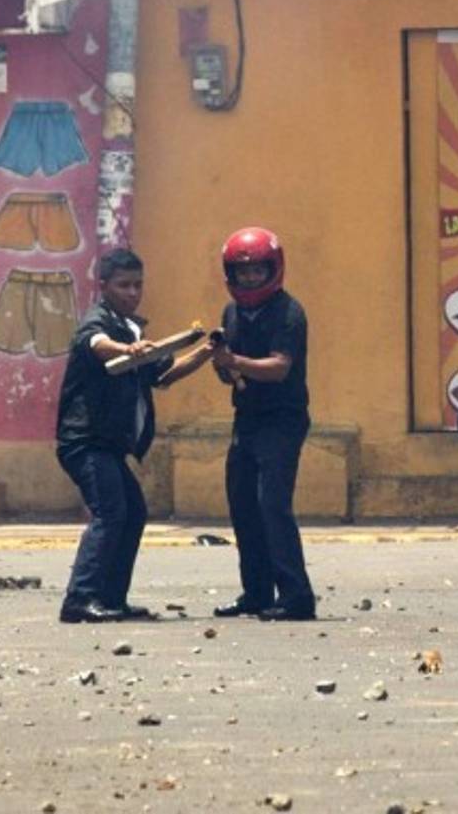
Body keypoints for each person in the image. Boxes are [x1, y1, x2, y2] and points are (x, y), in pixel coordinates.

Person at [57, 248, 215, 623]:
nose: (132, 292)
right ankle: (79, 599)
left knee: (133, 514)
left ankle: (111, 598)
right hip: (85, 440)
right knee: (111, 512)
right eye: (123, 285)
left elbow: (163, 374)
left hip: (109, 445)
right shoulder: (98, 322)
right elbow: (97, 345)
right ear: (104, 286)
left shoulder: (132, 330)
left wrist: (207, 351)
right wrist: (127, 349)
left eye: (137, 285)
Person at [210, 227, 317, 622]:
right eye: (243, 272)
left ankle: (297, 595)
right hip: (247, 417)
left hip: (283, 419)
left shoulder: (289, 312)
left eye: (257, 271)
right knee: (243, 505)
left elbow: (278, 368)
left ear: (274, 269)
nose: (250, 278)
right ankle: (256, 592)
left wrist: (235, 362)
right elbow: (231, 372)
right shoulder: (231, 313)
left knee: (273, 504)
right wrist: (223, 364)